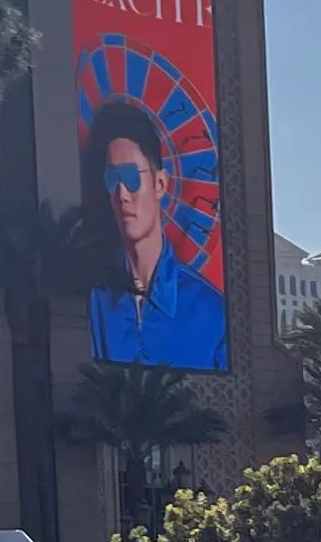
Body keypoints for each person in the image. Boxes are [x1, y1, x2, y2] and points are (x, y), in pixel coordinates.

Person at [81, 100, 228, 370]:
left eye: (131, 177)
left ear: (160, 183)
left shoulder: (213, 312)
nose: (122, 194)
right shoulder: (88, 302)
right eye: (112, 179)